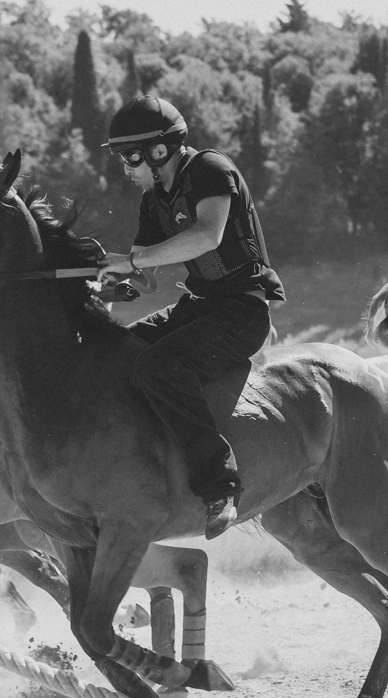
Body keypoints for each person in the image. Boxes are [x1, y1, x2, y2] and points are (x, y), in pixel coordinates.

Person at [97, 96, 285, 540]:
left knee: (160, 366)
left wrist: (131, 259)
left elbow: (207, 236)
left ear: (158, 151)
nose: (125, 169)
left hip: (241, 312)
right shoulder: (153, 201)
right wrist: (100, 278)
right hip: (198, 306)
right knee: (117, 352)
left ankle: (220, 485)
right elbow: (143, 275)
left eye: (129, 158)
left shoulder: (210, 170)